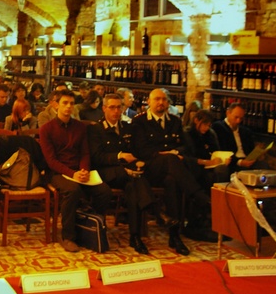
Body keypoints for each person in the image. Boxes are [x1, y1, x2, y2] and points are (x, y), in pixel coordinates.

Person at [131, 88, 211, 256]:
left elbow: (185, 146)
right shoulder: (140, 122)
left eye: (164, 100)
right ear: (149, 102)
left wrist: (174, 153)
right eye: (157, 99)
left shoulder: (175, 121)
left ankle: (174, 236)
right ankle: (199, 196)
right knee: (171, 161)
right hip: (149, 168)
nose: (161, 103)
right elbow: (140, 149)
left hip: (170, 169)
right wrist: (166, 154)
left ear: (168, 103)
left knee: (172, 181)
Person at [39, 89, 112, 252]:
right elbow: (51, 161)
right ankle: (68, 237)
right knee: (73, 190)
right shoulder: (46, 129)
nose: (68, 107)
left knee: (104, 191)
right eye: (64, 103)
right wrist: (73, 174)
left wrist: (84, 170)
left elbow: (84, 153)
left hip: (78, 171)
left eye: (71, 103)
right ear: (56, 105)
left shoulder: (79, 127)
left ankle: (91, 228)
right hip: (57, 172)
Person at [87, 93, 154, 254]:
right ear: (104, 109)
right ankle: (153, 209)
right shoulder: (95, 129)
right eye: (112, 107)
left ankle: (135, 236)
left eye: (119, 107)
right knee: (133, 177)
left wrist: (136, 161)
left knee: (132, 186)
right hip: (105, 173)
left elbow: (133, 151)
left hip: (126, 174)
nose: (116, 111)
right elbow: (96, 157)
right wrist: (119, 156)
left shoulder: (126, 128)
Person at [181, 109, 229, 242]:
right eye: (205, 125)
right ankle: (202, 216)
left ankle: (217, 215)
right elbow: (187, 157)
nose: (207, 128)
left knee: (222, 172)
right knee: (209, 178)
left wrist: (221, 159)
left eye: (209, 125)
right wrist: (205, 162)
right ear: (197, 121)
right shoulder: (187, 134)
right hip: (194, 168)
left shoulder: (210, 134)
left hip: (210, 167)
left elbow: (215, 151)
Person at [211, 102, 268, 174]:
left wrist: (256, 154)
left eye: (241, 118)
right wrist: (239, 162)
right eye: (236, 117)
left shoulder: (245, 131)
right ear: (228, 113)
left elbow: (250, 149)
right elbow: (222, 150)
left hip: (246, 159)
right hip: (232, 162)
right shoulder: (218, 127)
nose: (238, 121)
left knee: (263, 165)